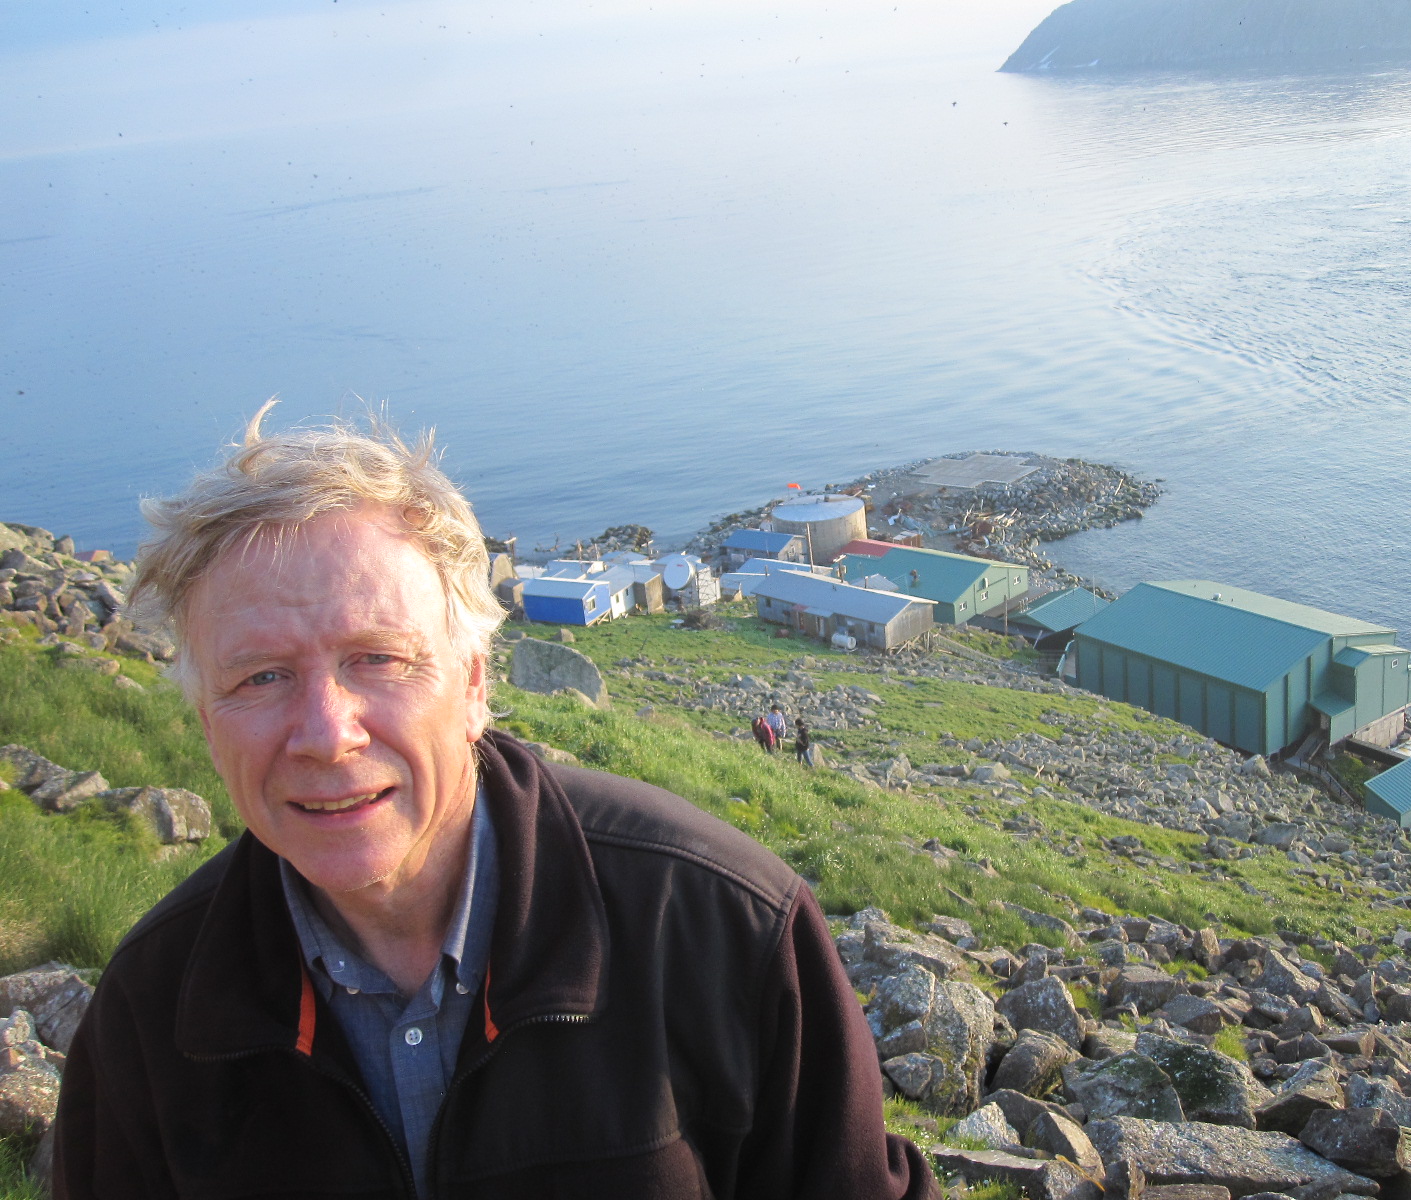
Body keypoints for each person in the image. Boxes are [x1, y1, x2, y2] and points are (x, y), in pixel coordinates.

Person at [54, 407, 936, 1200]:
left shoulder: (716, 925)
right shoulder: (150, 1016)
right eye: (260, 676)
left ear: (474, 683)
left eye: (378, 659)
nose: (327, 734)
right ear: (207, 720)